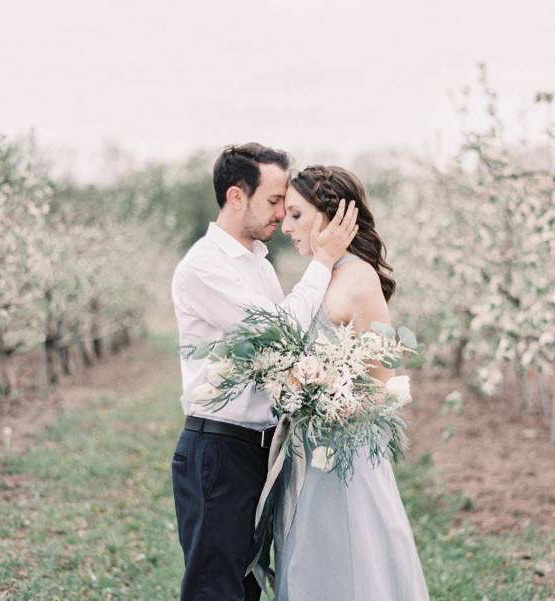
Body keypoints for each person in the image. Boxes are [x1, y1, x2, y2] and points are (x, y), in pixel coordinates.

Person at [170, 143, 358, 601]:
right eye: (274, 201)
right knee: (217, 588)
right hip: (219, 450)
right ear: (237, 197)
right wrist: (322, 261)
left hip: (258, 450)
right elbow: (276, 334)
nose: (281, 213)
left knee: (248, 583)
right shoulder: (204, 267)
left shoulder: (258, 262)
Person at [271, 164, 431, 600]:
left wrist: (332, 401)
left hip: (345, 456)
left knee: (350, 566)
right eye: (285, 215)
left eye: (297, 215)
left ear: (332, 217)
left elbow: (384, 385)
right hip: (308, 449)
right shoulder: (323, 276)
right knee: (310, 565)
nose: (286, 226)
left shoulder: (359, 280)